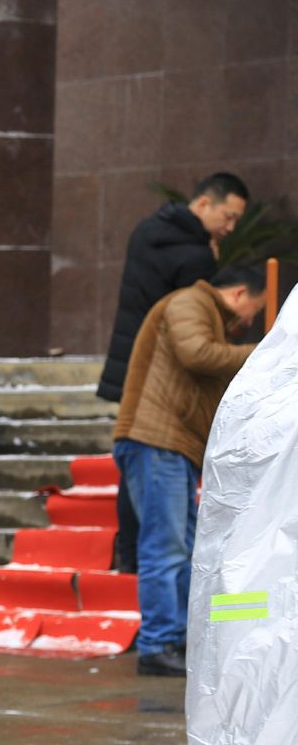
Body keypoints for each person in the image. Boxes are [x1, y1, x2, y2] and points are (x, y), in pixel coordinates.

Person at [111, 266, 264, 677]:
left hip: (173, 446)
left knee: (183, 549)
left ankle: (176, 638)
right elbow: (197, 354)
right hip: (156, 441)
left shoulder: (206, 314)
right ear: (239, 293)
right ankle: (158, 644)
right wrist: (263, 353)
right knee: (165, 549)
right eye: (254, 309)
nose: (250, 320)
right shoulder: (189, 302)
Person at [97, 172, 250, 573]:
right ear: (204, 204)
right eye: (229, 217)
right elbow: (192, 336)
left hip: (130, 358)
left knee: (136, 474)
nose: (230, 228)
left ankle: (127, 553)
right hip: (161, 375)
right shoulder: (196, 257)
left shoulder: (147, 230)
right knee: (163, 526)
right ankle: (142, 570)